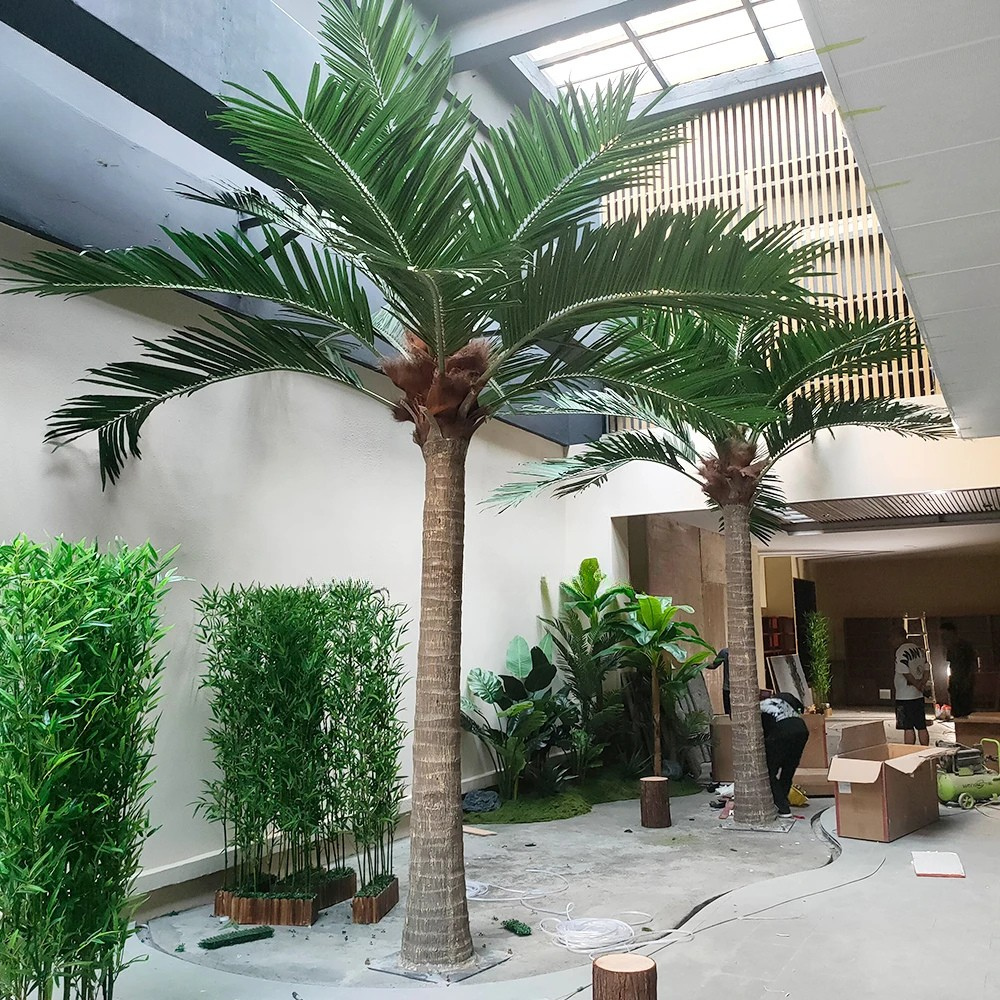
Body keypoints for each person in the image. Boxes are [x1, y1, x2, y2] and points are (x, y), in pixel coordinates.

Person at [760, 692, 808, 817]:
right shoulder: (784, 699)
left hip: (782, 731)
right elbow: (800, 707)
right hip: (801, 729)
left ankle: (782, 807)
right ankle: (783, 799)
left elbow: (764, 732)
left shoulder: (759, 708)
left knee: (769, 771)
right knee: (789, 768)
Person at [892, 626, 929, 745]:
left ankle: (909, 752)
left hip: (904, 696)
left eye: (892, 638)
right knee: (921, 725)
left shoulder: (901, 651)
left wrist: (916, 684)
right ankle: (926, 750)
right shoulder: (918, 649)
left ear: (898, 637)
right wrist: (922, 683)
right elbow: (927, 668)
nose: (891, 641)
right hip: (918, 696)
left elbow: (904, 671)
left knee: (908, 727)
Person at [941, 621, 977, 719]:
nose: (944, 638)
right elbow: (950, 664)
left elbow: (972, 664)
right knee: (956, 710)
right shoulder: (950, 648)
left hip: (964, 680)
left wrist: (968, 680)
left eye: (945, 634)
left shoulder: (965, 646)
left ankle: (965, 729)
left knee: (964, 709)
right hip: (955, 680)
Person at [707, 647, 731, 714]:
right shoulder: (725, 652)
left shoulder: (726, 652)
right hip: (727, 689)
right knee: (728, 714)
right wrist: (701, 665)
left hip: (731, 688)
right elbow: (714, 665)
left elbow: (714, 665)